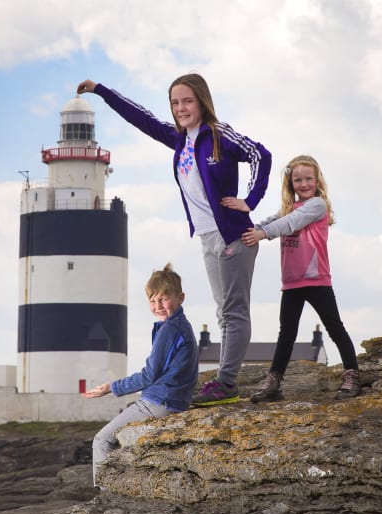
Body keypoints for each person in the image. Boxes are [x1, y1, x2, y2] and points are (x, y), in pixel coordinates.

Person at [77, 75, 271, 406]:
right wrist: (101, 91)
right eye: (175, 103)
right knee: (223, 312)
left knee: (234, 311)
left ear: (202, 102)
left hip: (234, 235)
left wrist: (250, 200)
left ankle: (226, 383)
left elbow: (260, 155)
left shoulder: (218, 134)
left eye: (187, 101)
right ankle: (226, 381)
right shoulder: (180, 140)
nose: (181, 108)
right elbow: (142, 118)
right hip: (207, 237)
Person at [230, 154, 360, 402]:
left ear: (317, 180)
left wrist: (263, 234)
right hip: (291, 282)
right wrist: (242, 231)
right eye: (297, 180)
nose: (303, 184)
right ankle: (274, 382)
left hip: (316, 280)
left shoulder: (317, 205)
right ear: (290, 183)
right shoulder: (289, 207)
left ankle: (352, 375)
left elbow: (290, 223)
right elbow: (270, 221)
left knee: (335, 328)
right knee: (286, 334)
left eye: (308, 179)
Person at [82, 263, 199, 488]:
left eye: (164, 299)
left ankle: (105, 495)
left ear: (180, 297)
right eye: (153, 301)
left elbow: (149, 375)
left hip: (161, 400)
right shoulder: (180, 325)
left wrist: (111, 387)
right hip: (172, 399)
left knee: (102, 440)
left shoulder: (170, 330)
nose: (158, 306)